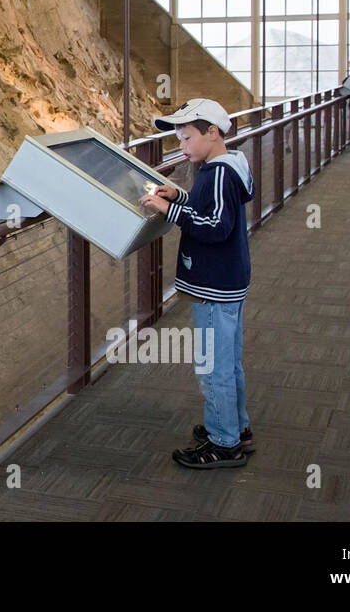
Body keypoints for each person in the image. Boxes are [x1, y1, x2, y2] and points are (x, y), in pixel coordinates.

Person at [139, 98, 255, 469]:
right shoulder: (226, 165)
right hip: (228, 281)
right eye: (179, 139)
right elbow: (209, 208)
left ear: (213, 133)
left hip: (215, 285)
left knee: (213, 366)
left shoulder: (217, 173)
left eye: (187, 137)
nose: (182, 147)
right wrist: (181, 196)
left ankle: (224, 444)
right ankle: (236, 428)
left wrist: (168, 210)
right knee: (228, 362)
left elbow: (215, 226)